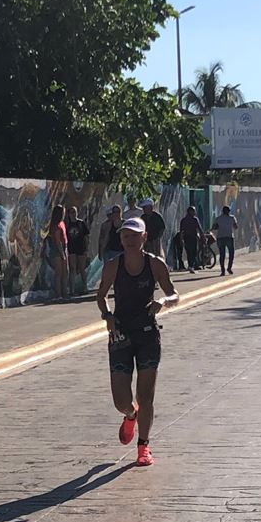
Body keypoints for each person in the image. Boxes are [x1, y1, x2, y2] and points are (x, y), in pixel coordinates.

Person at [97, 213, 176, 469]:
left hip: (147, 334)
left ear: (144, 237)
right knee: (121, 400)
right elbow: (101, 296)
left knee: (146, 395)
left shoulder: (155, 264)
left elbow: (174, 294)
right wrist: (107, 315)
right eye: (125, 236)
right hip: (120, 334)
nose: (129, 240)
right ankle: (131, 415)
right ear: (120, 239)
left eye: (134, 235)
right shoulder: (113, 265)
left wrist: (162, 301)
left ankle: (143, 446)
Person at [45, 204, 69, 300]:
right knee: (59, 273)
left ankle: (65, 293)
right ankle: (59, 295)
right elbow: (57, 241)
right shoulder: (55, 225)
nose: (64, 214)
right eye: (63, 212)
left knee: (65, 272)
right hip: (57, 249)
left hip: (64, 247)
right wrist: (62, 254)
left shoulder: (62, 223)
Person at [67, 207, 90, 296]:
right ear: (69, 214)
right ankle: (71, 290)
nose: (73, 214)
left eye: (74, 212)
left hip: (81, 248)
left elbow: (86, 236)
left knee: (82, 268)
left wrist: (86, 249)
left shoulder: (81, 223)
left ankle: (85, 287)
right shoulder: (67, 224)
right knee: (72, 268)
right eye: (71, 212)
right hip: (71, 248)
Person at [214, 202, 238, 275]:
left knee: (222, 255)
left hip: (220, 237)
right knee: (231, 254)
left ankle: (222, 270)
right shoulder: (232, 218)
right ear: (229, 211)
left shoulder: (218, 219)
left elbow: (215, 227)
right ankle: (229, 268)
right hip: (229, 237)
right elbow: (236, 227)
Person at [179, 201, 203, 272]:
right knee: (193, 252)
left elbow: (181, 231)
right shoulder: (194, 219)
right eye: (193, 211)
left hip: (188, 238)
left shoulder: (184, 220)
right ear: (190, 212)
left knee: (190, 252)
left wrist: (181, 239)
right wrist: (202, 236)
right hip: (191, 237)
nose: (195, 212)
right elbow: (199, 228)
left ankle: (191, 265)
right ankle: (191, 266)